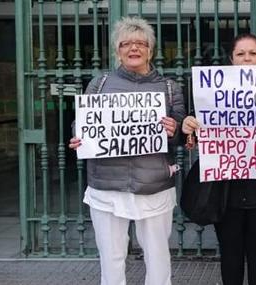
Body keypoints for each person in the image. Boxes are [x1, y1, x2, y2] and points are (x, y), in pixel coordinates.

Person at [68, 17, 185, 285]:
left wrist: (174, 129)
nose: (134, 48)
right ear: (117, 51)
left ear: (150, 50)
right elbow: (82, 123)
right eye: (126, 44)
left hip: (154, 186)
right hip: (106, 187)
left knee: (158, 258)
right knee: (111, 259)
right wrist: (78, 136)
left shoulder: (169, 88)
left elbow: (180, 134)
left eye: (141, 43)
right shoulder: (99, 84)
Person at [181, 33, 256, 285]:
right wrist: (190, 125)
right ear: (232, 59)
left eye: (253, 53)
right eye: (241, 54)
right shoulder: (213, 92)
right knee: (231, 255)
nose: (247, 58)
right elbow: (199, 129)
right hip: (226, 192)